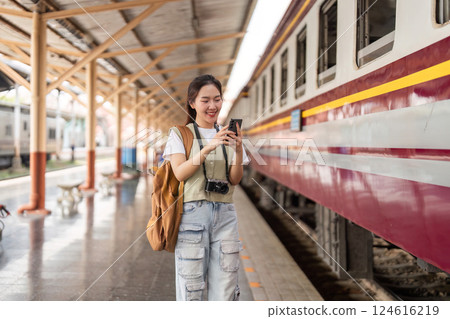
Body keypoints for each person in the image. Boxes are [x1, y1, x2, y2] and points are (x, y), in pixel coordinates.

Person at [162, 74, 250, 301]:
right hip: (192, 217)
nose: (213, 106)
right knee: (191, 289)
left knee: (226, 288)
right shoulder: (180, 134)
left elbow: (235, 179)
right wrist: (208, 147)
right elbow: (180, 172)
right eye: (205, 100)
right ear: (192, 103)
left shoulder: (228, 133)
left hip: (226, 216)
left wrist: (238, 151)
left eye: (217, 99)